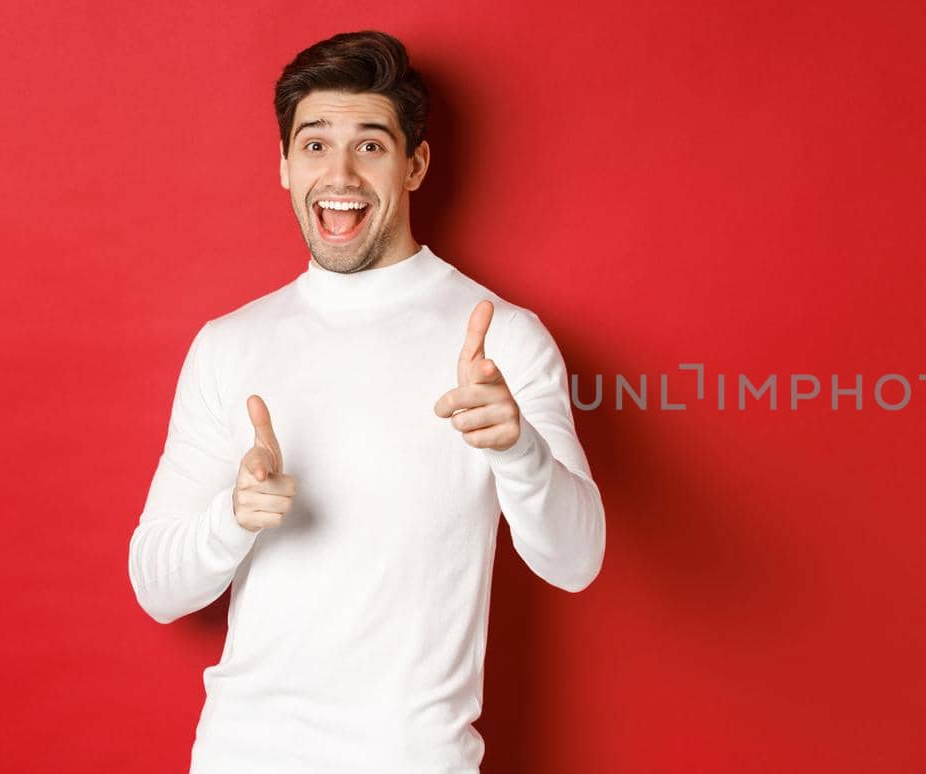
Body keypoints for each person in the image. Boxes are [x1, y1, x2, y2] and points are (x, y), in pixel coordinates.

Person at [126, 30, 606, 773]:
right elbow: (157, 588)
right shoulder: (229, 343)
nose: (340, 172)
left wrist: (520, 453)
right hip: (238, 755)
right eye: (314, 145)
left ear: (413, 165)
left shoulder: (502, 340)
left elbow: (576, 562)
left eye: (371, 146)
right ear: (284, 165)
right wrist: (231, 516)